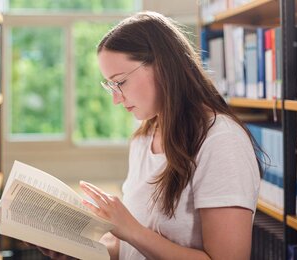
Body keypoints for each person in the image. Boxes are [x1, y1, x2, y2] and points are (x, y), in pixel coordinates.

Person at [39, 11, 262, 260]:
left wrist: (131, 230)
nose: (115, 99)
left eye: (120, 82)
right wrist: (77, 250)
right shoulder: (143, 139)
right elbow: (128, 249)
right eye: (110, 86)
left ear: (162, 67)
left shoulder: (221, 141)